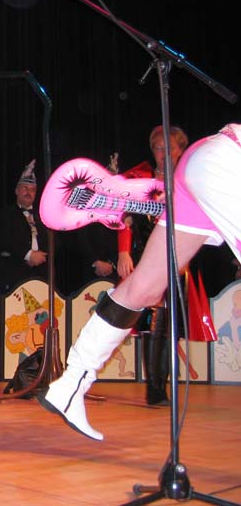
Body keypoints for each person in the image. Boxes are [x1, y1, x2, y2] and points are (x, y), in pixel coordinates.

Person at [40, 122, 241, 441]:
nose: (162, 152)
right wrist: (123, 250)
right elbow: (129, 222)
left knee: (144, 287)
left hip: (204, 161)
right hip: (228, 162)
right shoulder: (142, 173)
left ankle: (70, 384)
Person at [118, 125, 188, 406]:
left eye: (168, 148)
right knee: (154, 322)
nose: (163, 153)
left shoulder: (186, 181)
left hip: (178, 261)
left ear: (180, 151)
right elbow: (124, 217)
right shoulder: (141, 181)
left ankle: (163, 383)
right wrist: (124, 252)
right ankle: (155, 389)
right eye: (158, 148)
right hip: (148, 258)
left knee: (172, 325)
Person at [0, 159, 48, 293]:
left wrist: (40, 256)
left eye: (32, 190)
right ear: (16, 191)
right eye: (25, 188)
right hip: (15, 275)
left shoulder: (43, 215)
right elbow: (4, 240)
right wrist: (28, 255)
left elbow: (54, 242)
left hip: (41, 277)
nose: (28, 192)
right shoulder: (6, 213)